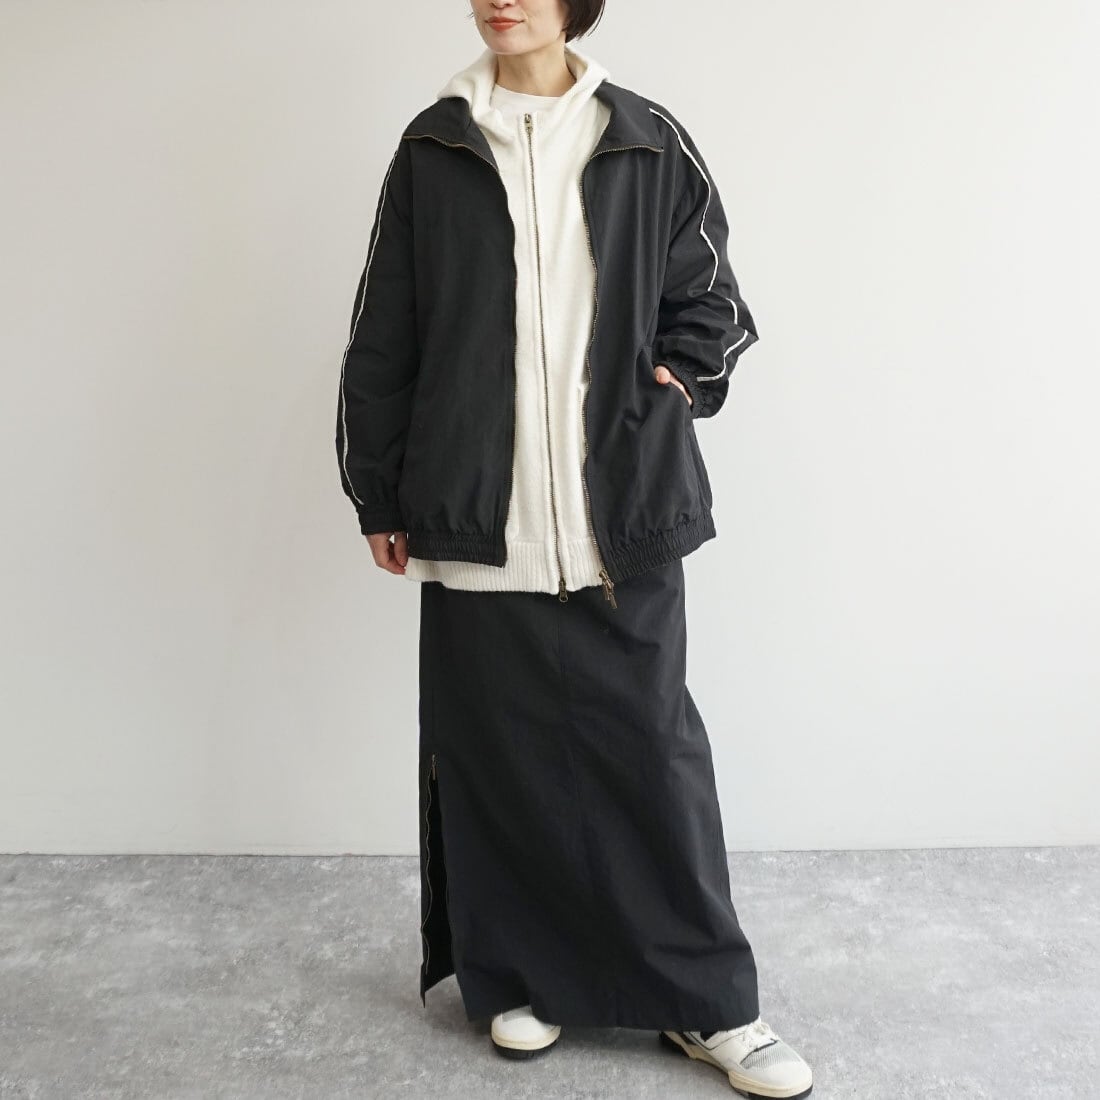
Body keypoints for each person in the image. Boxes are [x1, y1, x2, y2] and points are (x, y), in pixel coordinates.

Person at [335, 3, 813, 1097]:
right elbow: (384, 331)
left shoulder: (641, 136)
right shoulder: (433, 146)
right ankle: (520, 975)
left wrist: (677, 383)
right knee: (496, 754)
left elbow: (711, 298)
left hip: (620, 505)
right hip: (474, 501)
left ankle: (707, 1002)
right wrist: (378, 488)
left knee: (650, 753)